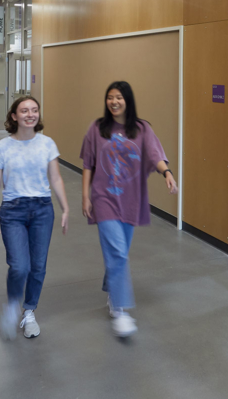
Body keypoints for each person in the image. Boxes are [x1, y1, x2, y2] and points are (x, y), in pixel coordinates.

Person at [80, 81, 177, 338]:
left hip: (131, 199)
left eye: (119, 97)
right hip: (103, 198)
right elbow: (88, 163)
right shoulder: (97, 128)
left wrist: (166, 172)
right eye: (110, 97)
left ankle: (113, 288)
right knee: (119, 254)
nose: (114, 102)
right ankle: (120, 309)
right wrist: (85, 196)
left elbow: (155, 154)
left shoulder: (141, 129)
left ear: (128, 100)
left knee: (119, 251)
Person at [0, 96, 70, 340]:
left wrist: (65, 208)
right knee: (20, 266)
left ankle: (29, 311)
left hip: (43, 210)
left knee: (38, 266)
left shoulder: (47, 144)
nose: (30, 114)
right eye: (24, 110)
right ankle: (13, 305)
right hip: (13, 211)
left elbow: (55, 178)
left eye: (34, 110)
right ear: (14, 116)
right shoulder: (2, 147)